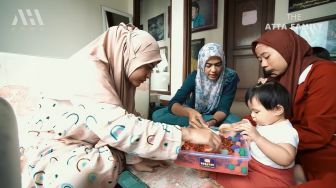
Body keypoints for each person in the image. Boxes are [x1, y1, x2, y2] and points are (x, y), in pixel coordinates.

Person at [20, 23, 222, 187]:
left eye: (218, 64)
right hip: (59, 143)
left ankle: (127, 155)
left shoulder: (229, 80)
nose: (149, 74)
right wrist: (186, 133)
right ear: (129, 56)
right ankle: (124, 157)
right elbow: (122, 125)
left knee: (138, 135)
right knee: (82, 173)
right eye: (148, 66)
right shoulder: (89, 70)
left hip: (90, 140)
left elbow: (127, 122)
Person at [249, 29, 336, 187]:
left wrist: (264, 136)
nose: (264, 65)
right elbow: (264, 110)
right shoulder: (277, 78)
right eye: (259, 60)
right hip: (283, 146)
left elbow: (317, 132)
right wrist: (243, 125)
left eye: (267, 57)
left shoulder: (325, 73)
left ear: (286, 48)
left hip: (316, 149)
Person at [209, 81, 299, 187]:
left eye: (256, 112)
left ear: (277, 110)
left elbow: (286, 158)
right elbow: (253, 136)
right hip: (253, 166)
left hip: (272, 176)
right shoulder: (265, 123)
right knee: (225, 166)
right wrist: (237, 130)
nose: (252, 115)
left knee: (237, 182)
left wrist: (257, 137)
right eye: (251, 111)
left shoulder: (286, 131)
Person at [152, 43, 240, 128]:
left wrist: (212, 121)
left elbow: (223, 109)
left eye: (218, 65)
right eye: (208, 65)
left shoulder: (230, 77)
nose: (213, 70)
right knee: (158, 114)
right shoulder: (195, 76)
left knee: (235, 120)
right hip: (192, 112)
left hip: (215, 116)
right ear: (201, 64)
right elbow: (174, 102)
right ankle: (198, 122)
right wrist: (189, 112)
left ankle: (198, 124)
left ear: (223, 63)